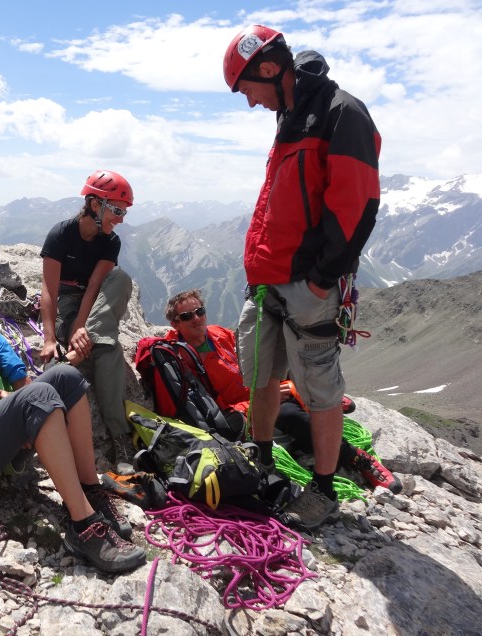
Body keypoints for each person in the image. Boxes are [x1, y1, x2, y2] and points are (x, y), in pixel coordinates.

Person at [223, 25, 381, 529]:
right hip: (268, 279)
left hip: (307, 284)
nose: (250, 103)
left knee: (319, 386)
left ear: (269, 68)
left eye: (248, 90)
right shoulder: (290, 115)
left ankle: (324, 489)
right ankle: (262, 454)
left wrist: (321, 279)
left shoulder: (341, 113)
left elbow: (356, 206)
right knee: (262, 372)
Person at [0, 262, 146, 574]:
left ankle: (89, 489)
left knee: (66, 376)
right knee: (36, 396)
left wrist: (17, 408)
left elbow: (16, 382)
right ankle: (83, 525)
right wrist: (0, 405)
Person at [161, 290, 400, 494]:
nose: (196, 318)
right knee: (293, 418)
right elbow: (211, 406)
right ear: (175, 323)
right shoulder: (183, 357)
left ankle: (308, 396)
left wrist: (278, 384)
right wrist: (258, 401)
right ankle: (357, 458)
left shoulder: (218, 334)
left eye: (199, 311)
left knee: (291, 362)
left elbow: (254, 358)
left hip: (263, 386)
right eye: (186, 316)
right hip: (248, 405)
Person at [39, 169, 135, 465]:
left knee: (120, 278)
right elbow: (49, 290)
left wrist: (83, 329)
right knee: (109, 349)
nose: (120, 219)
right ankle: (121, 439)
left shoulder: (111, 242)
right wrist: (50, 337)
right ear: (95, 204)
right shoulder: (61, 234)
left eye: (124, 212)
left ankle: (77, 354)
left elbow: (96, 286)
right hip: (67, 302)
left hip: (92, 303)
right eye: (117, 210)